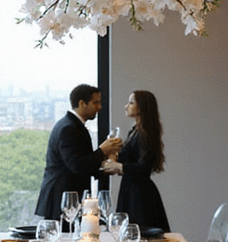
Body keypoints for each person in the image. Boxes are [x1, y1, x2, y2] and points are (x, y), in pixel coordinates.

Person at [35, 84, 122, 222]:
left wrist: (105, 168)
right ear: (82, 103)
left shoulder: (71, 125)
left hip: (66, 198)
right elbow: (76, 165)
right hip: (63, 199)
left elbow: (82, 162)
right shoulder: (69, 128)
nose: (99, 107)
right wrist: (102, 150)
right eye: (95, 103)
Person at [105, 90, 170, 232]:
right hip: (131, 189)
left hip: (140, 195)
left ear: (141, 107)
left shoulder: (145, 134)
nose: (126, 106)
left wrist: (119, 166)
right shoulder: (135, 131)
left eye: (131, 103)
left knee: (138, 234)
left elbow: (144, 168)